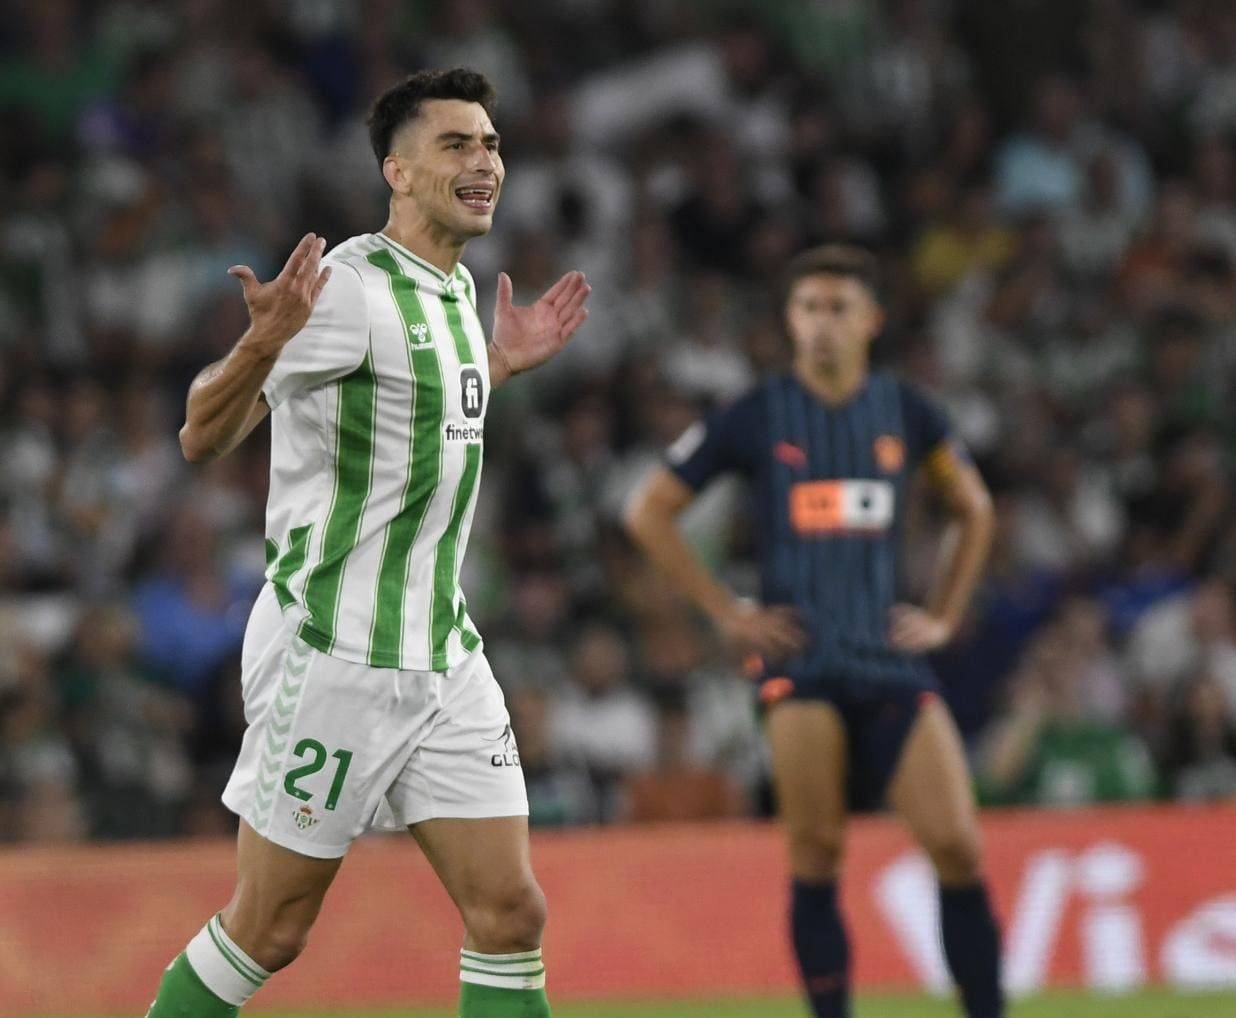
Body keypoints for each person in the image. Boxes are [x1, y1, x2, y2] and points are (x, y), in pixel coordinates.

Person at [145, 68, 592, 1018]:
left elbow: (414, 415)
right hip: (336, 652)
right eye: (456, 145)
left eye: (493, 144)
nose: (485, 162)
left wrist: (498, 361)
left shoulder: (454, 294)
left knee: (510, 910)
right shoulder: (347, 290)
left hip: (443, 654)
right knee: (270, 930)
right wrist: (261, 347)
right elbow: (198, 435)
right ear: (397, 170)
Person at [625, 244, 1002, 1018]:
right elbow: (648, 509)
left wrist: (944, 616)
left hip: (890, 662)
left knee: (959, 847)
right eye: (807, 308)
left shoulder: (908, 410)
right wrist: (728, 612)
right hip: (801, 666)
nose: (821, 324)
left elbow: (976, 509)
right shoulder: (756, 414)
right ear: (789, 321)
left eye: (837, 308)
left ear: (871, 320)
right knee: (816, 854)